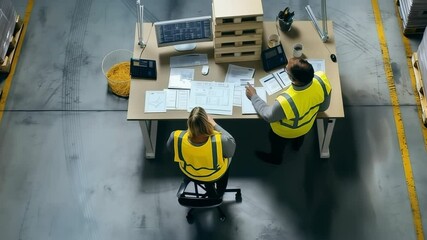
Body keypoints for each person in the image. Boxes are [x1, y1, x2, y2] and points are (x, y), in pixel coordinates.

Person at [245, 57, 332, 165]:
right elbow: (323, 107)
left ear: (293, 79)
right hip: (306, 126)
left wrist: (253, 96)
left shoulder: (285, 102)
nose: (285, 68)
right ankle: (296, 147)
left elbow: (267, 115)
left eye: (286, 69)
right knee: (299, 138)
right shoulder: (322, 79)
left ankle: (275, 159)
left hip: (284, 133)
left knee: (277, 144)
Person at [167, 106, 236, 197]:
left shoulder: (175, 137)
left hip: (190, 172)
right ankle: (220, 192)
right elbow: (231, 147)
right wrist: (214, 124)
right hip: (214, 174)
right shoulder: (220, 141)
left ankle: (211, 189)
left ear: (189, 122)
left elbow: (171, 150)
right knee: (227, 155)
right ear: (206, 122)